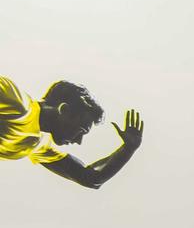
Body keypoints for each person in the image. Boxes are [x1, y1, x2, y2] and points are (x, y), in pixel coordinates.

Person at [0, 76, 143, 189]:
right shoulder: (15, 101)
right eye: (80, 131)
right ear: (64, 110)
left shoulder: (38, 144)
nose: (78, 141)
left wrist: (128, 149)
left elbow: (91, 178)